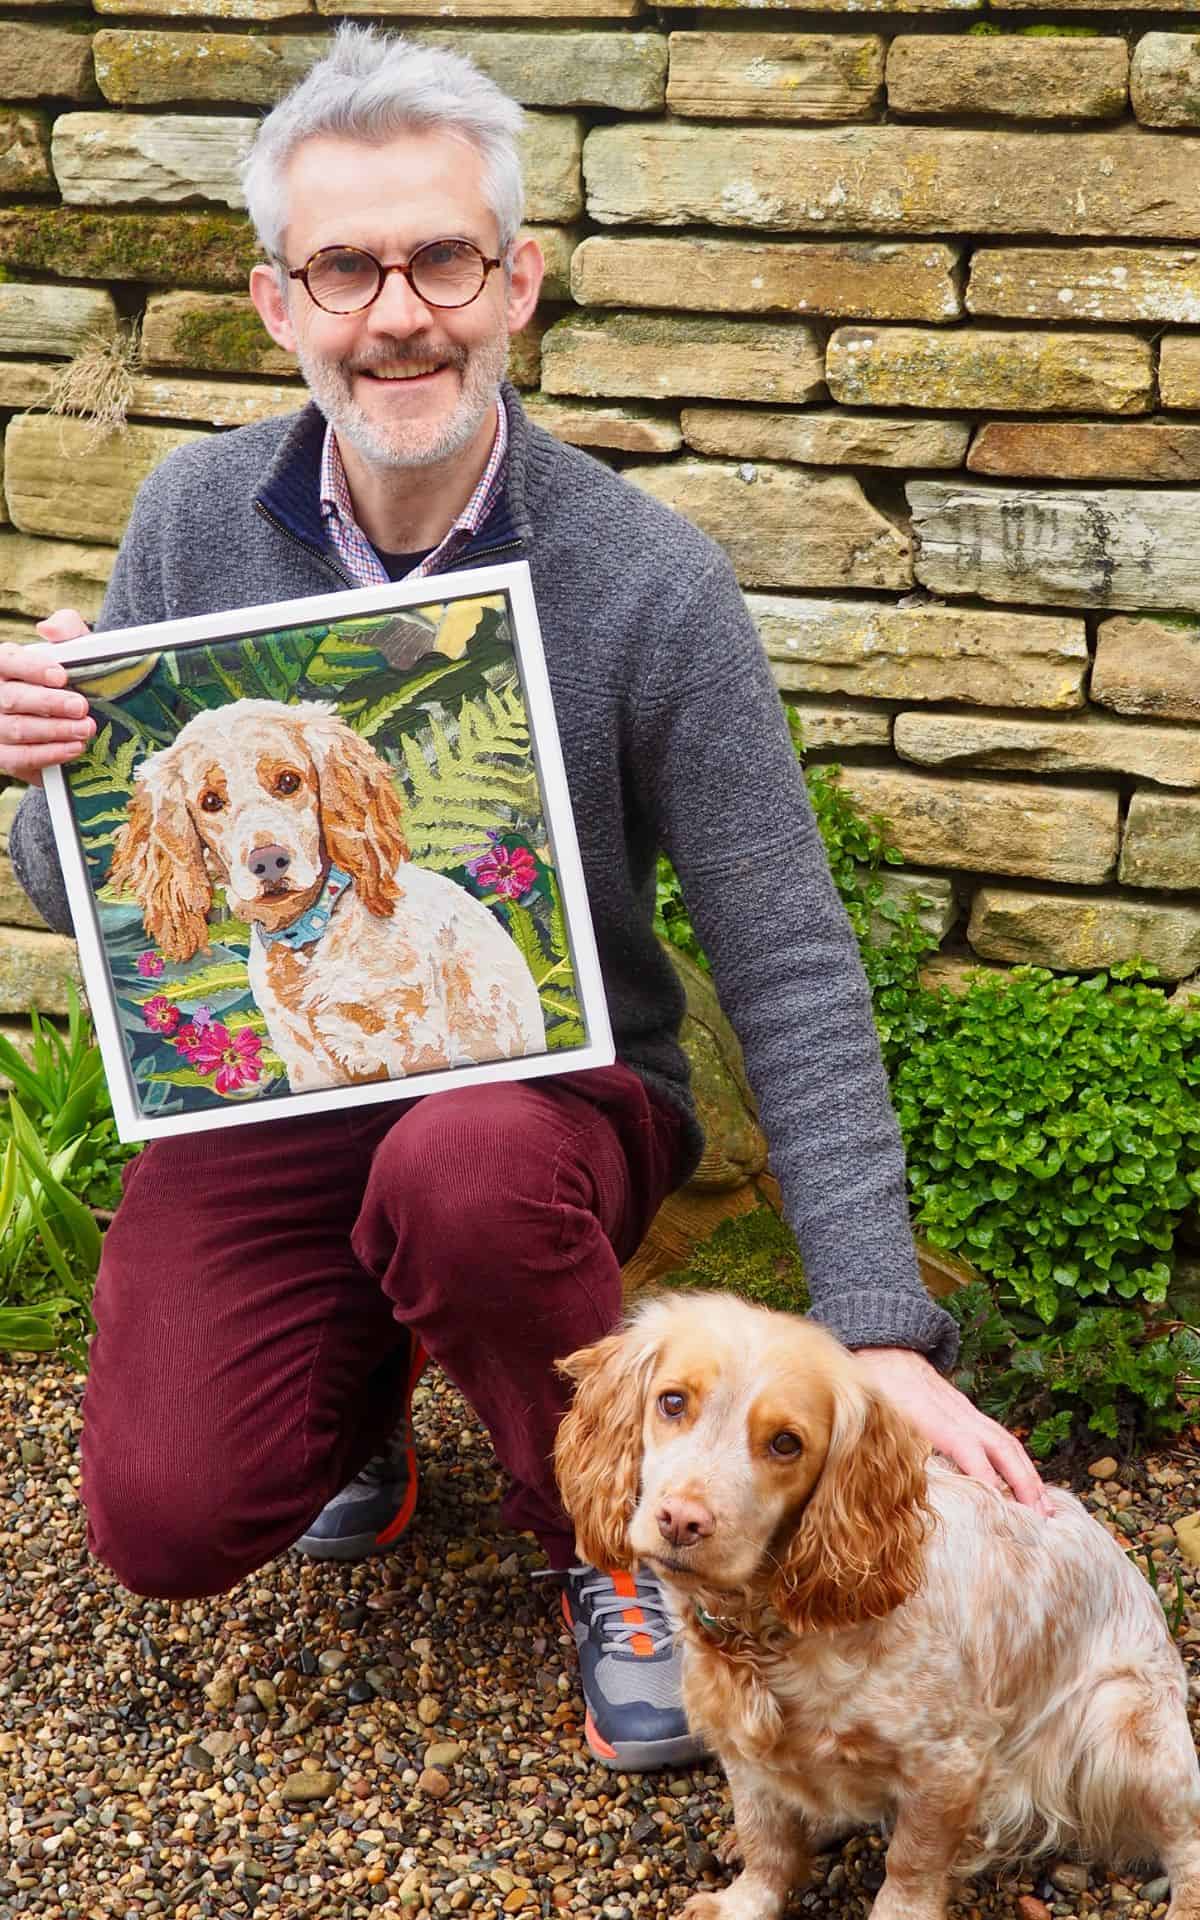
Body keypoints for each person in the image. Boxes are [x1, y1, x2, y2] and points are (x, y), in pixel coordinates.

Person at [1, 27, 1049, 1775]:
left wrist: (877, 1331)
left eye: (442, 260)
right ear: (278, 303)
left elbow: (787, 954)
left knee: (462, 1171)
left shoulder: (650, 579)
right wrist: (32, 774)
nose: (395, 310)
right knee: (165, 1522)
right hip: (271, 1104)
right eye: (346, 267)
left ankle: (615, 1556)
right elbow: (110, 904)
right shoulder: (188, 515)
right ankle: (360, 1425)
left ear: (520, 284)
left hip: (540, 1094)